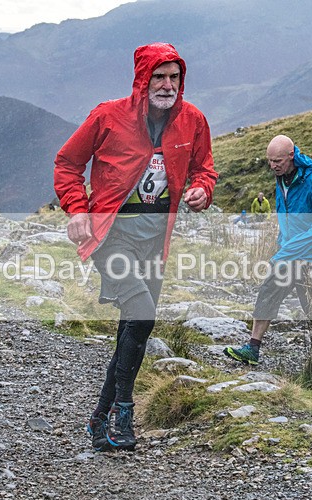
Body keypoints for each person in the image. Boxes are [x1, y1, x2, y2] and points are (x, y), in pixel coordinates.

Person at [53, 42, 217, 451]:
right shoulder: (107, 116)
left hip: (155, 239)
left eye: (174, 77)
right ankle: (123, 414)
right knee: (142, 312)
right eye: (158, 77)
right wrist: (76, 209)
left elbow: (204, 168)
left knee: (135, 327)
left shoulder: (193, 120)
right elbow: (67, 164)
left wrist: (201, 190)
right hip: (110, 234)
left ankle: (98, 419)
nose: (167, 85)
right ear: (142, 80)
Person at [224, 135, 312, 365]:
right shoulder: (281, 178)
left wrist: (292, 248)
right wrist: (284, 243)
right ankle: (253, 348)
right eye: (270, 161)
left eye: (278, 161)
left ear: (292, 155)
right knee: (269, 288)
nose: (273, 165)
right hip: (294, 248)